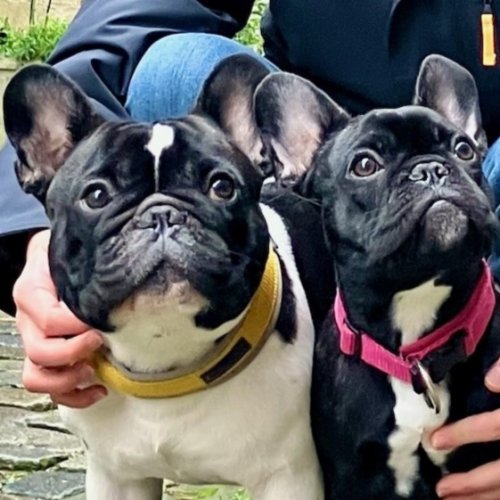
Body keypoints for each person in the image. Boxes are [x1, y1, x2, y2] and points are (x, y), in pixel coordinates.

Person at [3, 0, 500, 497]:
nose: (163, 225)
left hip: (482, 160)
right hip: (310, 125)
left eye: (218, 187)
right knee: (170, 65)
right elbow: (127, 19)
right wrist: (40, 232)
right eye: (98, 198)